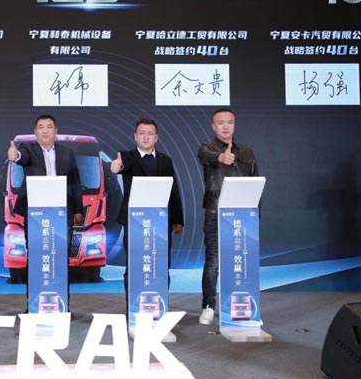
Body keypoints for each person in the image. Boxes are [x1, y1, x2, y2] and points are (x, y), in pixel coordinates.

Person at [7, 114, 83, 311]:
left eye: (49, 127)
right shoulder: (28, 149)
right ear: (35, 132)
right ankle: (33, 305)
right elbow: (21, 158)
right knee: (35, 258)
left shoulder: (67, 153)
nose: (45, 130)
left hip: (62, 213)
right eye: (41, 127)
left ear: (55, 131)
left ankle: (63, 305)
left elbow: (75, 182)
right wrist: (15, 156)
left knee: (61, 258)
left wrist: (78, 210)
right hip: (35, 214)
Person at [110, 118, 184, 310]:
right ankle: (133, 308)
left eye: (150, 134)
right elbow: (120, 166)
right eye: (142, 133)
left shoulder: (165, 160)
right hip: (135, 221)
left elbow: (174, 190)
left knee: (161, 265)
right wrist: (116, 167)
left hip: (161, 222)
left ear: (156, 137)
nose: (146, 137)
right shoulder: (127, 157)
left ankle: (160, 306)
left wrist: (178, 219)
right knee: (135, 265)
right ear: (135, 136)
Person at [197, 108, 259, 325]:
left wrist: (255, 215)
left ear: (234, 125)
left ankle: (240, 306)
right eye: (221, 123)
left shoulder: (247, 153)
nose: (225, 126)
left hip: (243, 215)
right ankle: (208, 306)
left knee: (241, 261)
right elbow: (206, 157)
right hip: (215, 212)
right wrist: (221, 157)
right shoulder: (207, 149)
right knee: (213, 262)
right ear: (213, 126)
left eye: (229, 122)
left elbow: (255, 182)